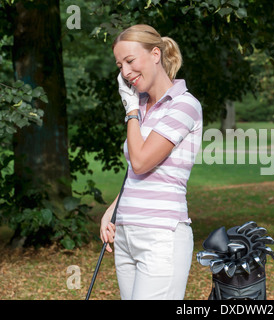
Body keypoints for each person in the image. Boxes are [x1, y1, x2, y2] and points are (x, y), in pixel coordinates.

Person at [100, 24, 203, 300]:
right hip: (125, 235)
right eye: (120, 65)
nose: (125, 72)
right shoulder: (140, 105)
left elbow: (142, 162)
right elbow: (138, 175)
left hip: (161, 236)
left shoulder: (184, 104)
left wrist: (130, 110)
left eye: (131, 61)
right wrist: (113, 209)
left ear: (155, 54)